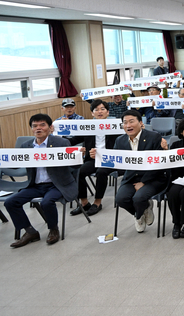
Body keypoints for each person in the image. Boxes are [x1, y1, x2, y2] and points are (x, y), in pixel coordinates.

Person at [4, 114, 79, 247]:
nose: (38, 128)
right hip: (35, 185)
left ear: (50, 127)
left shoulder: (61, 143)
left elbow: (75, 166)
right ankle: (30, 231)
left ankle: (53, 229)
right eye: (35, 126)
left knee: (47, 202)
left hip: (57, 184)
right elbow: (14, 165)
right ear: (31, 129)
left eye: (42, 125)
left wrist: (78, 156)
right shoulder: (26, 146)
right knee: (11, 202)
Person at [114, 110, 169, 233]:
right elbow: (117, 162)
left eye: (131, 121)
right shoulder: (120, 141)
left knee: (139, 198)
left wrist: (143, 182)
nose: (128, 125)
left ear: (140, 123)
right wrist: (98, 157)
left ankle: (139, 214)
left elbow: (160, 164)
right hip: (131, 178)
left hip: (153, 178)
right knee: (120, 199)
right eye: (125, 123)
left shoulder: (154, 137)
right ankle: (141, 212)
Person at [71, 99, 118, 217]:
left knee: (101, 172)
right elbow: (73, 140)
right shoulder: (88, 127)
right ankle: (84, 203)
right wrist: (55, 134)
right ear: (92, 113)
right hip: (93, 159)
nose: (99, 112)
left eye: (102, 109)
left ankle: (97, 202)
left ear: (108, 112)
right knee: (80, 172)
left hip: (110, 159)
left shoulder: (115, 126)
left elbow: (124, 142)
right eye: (96, 110)